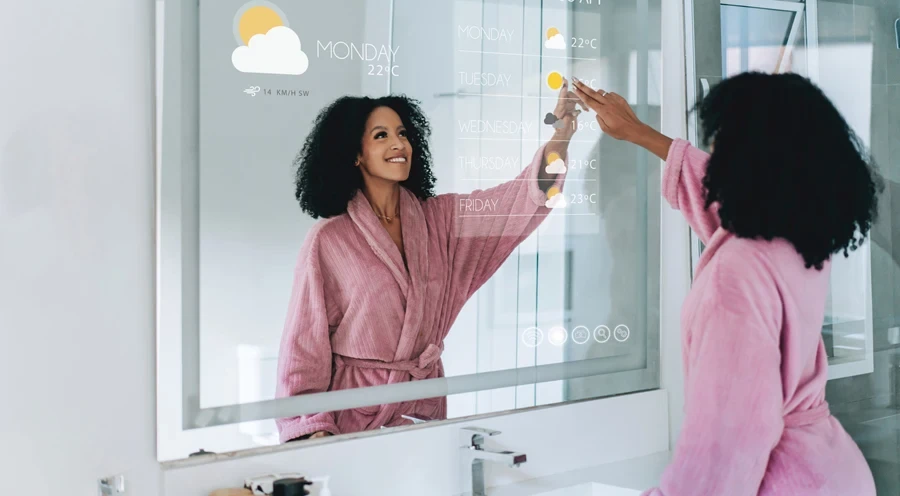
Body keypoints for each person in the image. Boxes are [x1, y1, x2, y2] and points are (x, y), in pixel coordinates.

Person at [571, 72, 879, 495]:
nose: (713, 153)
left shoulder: (736, 275)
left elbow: (722, 454)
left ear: (748, 158)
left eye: (721, 141)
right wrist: (640, 133)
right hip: (832, 472)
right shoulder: (799, 239)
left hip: (785, 480)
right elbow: (715, 193)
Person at [275, 80, 581, 442]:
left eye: (402, 133)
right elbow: (303, 348)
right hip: (351, 418)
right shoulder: (329, 240)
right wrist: (312, 430)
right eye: (381, 135)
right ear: (355, 153)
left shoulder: (441, 221)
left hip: (421, 408)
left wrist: (561, 135)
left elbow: (515, 201)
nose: (398, 144)